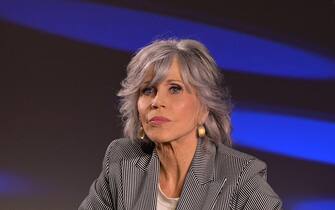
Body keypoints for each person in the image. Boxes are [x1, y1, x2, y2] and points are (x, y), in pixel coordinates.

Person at [79, 39, 282, 210]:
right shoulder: (122, 159)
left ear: (204, 107)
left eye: (175, 89)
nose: (157, 102)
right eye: (148, 90)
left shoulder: (240, 176)